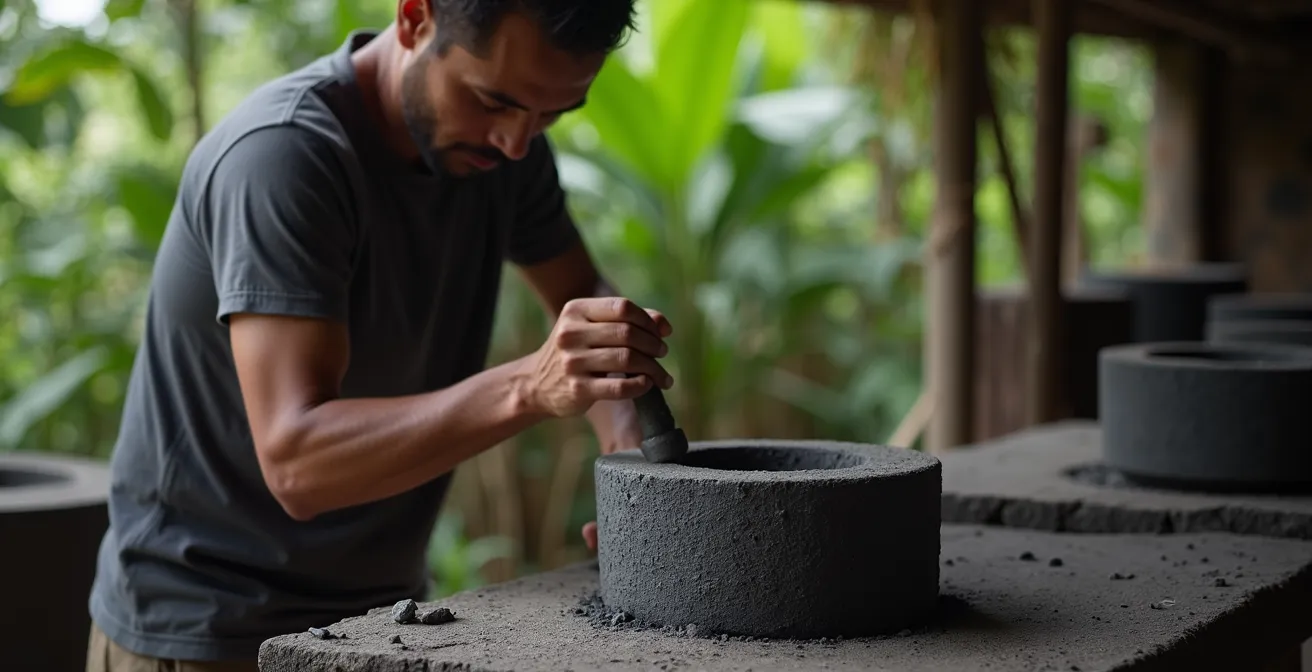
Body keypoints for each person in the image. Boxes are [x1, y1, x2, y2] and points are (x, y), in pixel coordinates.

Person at [85, 0, 671, 669]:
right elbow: (298, 463)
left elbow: (587, 301)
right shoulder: (284, 157)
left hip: (379, 622)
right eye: (492, 100)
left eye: (551, 115)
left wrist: (632, 470)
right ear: (415, 18)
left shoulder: (509, 150)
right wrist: (526, 388)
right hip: (205, 628)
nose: (515, 141)